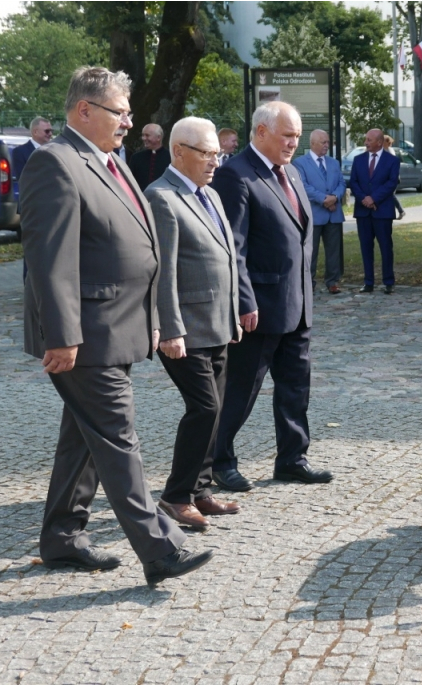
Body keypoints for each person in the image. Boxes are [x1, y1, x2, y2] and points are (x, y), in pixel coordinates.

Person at [20, 66, 212, 585]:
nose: (129, 122)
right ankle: (160, 548)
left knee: (82, 439)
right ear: (85, 110)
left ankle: (62, 538)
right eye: (120, 113)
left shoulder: (113, 161)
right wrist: (61, 336)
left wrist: (151, 318)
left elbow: (141, 247)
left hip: (117, 328)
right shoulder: (55, 164)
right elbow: (48, 259)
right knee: (118, 436)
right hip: (84, 336)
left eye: (130, 114)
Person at [210, 101, 333, 492]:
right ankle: (218, 460)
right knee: (240, 391)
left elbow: (300, 238)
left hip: (296, 305)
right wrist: (244, 302)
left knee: (296, 386)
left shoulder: (293, 174)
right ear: (261, 132)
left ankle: (293, 458)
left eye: (297, 135)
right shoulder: (235, 176)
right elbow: (234, 248)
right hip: (259, 310)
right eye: (287, 135)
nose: (293, 143)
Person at [144, 117, 243, 530]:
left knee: (215, 410)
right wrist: (169, 328)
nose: (215, 162)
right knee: (203, 407)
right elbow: (161, 270)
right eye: (207, 154)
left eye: (218, 154)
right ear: (179, 151)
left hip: (217, 321)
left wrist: (235, 314)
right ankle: (175, 495)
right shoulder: (161, 197)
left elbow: (228, 258)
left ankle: (201, 489)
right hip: (185, 327)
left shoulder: (210, 195)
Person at [293, 129, 346, 294]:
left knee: (334, 251)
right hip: (314, 214)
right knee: (311, 251)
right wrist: (324, 200)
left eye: (328, 142)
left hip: (334, 214)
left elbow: (342, 184)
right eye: (323, 142)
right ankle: (309, 282)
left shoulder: (334, 162)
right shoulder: (300, 163)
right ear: (313, 143)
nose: (327, 145)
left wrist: (335, 197)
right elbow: (304, 187)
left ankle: (333, 281)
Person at [349, 128, 401, 294]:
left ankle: (388, 282)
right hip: (363, 212)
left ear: (379, 142)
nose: (366, 142)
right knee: (366, 247)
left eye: (369, 140)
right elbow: (354, 182)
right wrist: (365, 199)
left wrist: (374, 198)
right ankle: (368, 282)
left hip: (382, 211)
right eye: (366, 139)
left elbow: (391, 183)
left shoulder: (392, 161)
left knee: (386, 247)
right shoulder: (358, 160)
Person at [129, 123, 171, 190]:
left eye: (147, 135)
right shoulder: (136, 157)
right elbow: (130, 181)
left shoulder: (171, 158)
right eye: (143, 135)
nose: (143, 138)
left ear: (159, 137)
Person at [11, 116, 53, 180]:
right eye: (47, 131)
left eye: (51, 131)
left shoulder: (54, 150)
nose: (50, 134)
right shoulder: (20, 152)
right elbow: (22, 179)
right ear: (35, 132)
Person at [382, 135, 407, 220]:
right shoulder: (384, 150)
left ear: (387, 142)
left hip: (392, 177)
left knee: (390, 195)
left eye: (383, 141)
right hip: (386, 177)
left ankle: (401, 211)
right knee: (388, 195)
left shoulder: (390, 151)